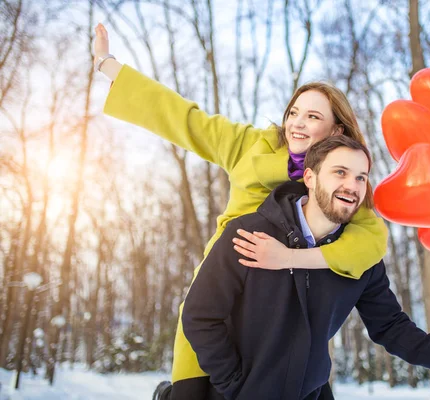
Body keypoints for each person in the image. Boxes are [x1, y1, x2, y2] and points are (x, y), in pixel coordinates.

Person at [93, 24, 388, 399]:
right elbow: (184, 118)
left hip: (280, 327)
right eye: (294, 112)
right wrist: (108, 65)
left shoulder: (339, 184)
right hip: (219, 302)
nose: (297, 122)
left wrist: (293, 257)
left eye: (313, 117)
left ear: (337, 129)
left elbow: (370, 242)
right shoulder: (251, 146)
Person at [181, 135, 430, 400]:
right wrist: (236, 384)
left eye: (361, 176)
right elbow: (200, 315)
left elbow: (390, 327)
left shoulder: (359, 259)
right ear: (310, 177)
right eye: (340, 172)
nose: (352, 185)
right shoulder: (248, 234)